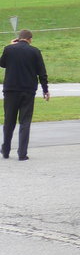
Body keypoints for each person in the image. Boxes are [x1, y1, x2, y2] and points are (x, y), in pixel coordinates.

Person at [0, 29, 49, 160]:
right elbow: (42, 73)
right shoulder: (35, 51)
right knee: (25, 122)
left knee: (9, 121)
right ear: (30, 39)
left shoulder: (9, 49)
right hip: (28, 90)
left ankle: (5, 150)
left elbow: (2, 63)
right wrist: (45, 90)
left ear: (19, 38)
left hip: (10, 90)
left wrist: (10, 45)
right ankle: (22, 154)